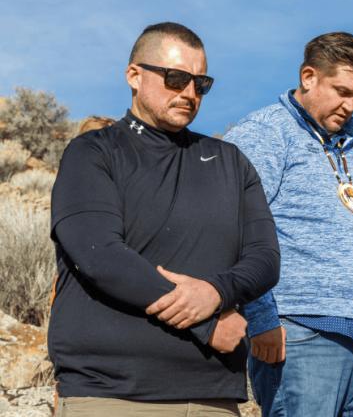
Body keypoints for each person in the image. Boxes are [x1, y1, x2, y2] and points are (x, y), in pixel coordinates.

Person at [49, 22, 280, 416]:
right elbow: (101, 255)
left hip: (215, 400)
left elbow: (265, 258)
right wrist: (206, 323)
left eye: (201, 84)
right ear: (134, 76)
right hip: (111, 396)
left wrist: (217, 292)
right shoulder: (91, 153)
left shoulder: (231, 162)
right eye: (175, 78)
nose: (189, 93)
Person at [223, 32, 353, 416]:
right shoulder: (263, 133)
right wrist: (261, 318)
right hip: (300, 333)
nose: (350, 105)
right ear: (309, 77)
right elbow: (235, 226)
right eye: (342, 91)